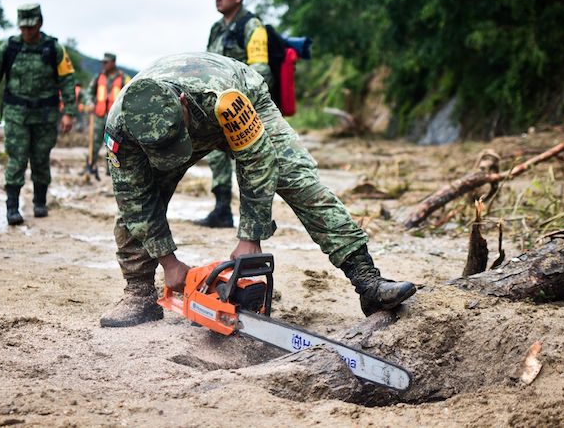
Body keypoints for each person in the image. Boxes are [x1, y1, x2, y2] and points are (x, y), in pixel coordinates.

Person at [99, 52, 416, 327]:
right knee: (133, 210)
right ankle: (139, 293)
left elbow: (259, 160)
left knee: (298, 180)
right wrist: (169, 263)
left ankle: (367, 280)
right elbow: (134, 201)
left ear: (182, 103)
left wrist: (250, 236)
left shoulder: (224, 99)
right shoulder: (120, 128)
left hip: (242, 94)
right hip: (163, 132)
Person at [0, 3, 77, 225]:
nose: (27, 32)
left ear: (40, 23)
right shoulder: (10, 47)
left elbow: (67, 81)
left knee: (41, 158)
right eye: (23, 27)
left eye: (31, 27)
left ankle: (39, 202)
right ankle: (12, 207)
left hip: (45, 115)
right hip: (16, 114)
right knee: (16, 159)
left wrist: (69, 113)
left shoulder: (54, 49)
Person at [196, 0, 272, 229]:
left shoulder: (252, 26)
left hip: (243, 105)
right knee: (217, 156)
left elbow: (261, 68)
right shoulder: (216, 29)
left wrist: (241, 101)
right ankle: (221, 209)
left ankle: (256, 220)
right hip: (217, 105)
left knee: (250, 160)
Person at [85, 53, 130, 180]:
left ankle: (111, 170)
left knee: (113, 145)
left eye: (106, 62)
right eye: (103, 62)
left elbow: (130, 93)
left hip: (114, 118)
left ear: (113, 63)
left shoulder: (124, 78)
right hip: (99, 116)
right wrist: (90, 102)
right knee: (94, 142)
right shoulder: (98, 77)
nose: (103, 65)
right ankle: (90, 167)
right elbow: (89, 93)